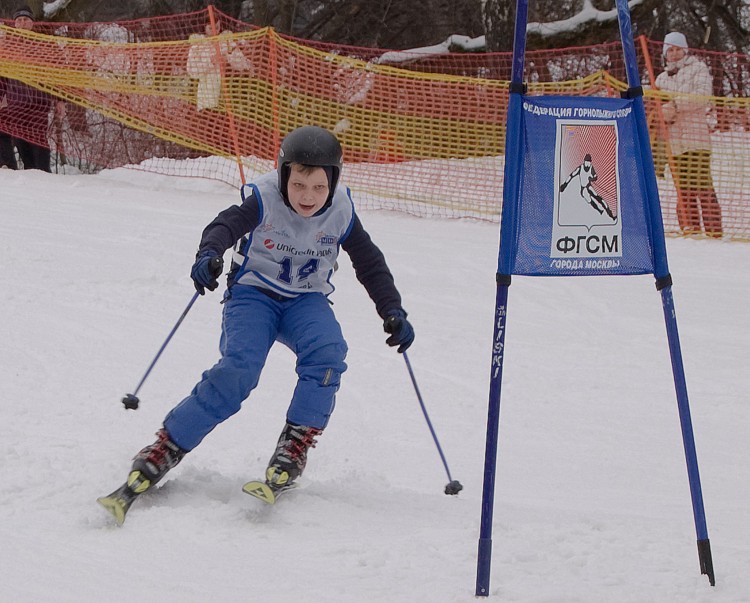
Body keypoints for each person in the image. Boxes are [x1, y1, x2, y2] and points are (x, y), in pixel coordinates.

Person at [101, 126, 414, 520]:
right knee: (239, 369)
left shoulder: (341, 210)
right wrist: (208, 254)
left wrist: (392, 310)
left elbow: (370, 262)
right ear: (283, 174)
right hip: (254, 296)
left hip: (306, 301)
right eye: (298, 184)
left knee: (328, 353)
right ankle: (167, 446)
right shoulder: (263, 198)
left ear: (333, 180)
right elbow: (223, 227)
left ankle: (294, 446)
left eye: (318, 187)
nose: (307, 197)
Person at [655, 31, 722, 238]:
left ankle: (713, 230)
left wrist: (675, 105)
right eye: (670, 50)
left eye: (677, 49)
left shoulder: (698, 69)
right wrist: (661, 113)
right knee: (683, 189)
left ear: (685, 50)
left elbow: (701, 96)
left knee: (702, 185)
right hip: (674, 143)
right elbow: (654, 104)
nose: (674, 54)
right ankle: (690, 229)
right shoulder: (660, 79)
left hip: (696, 139)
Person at [0, 6, 56, 171]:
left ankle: (43, 172)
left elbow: (59, 73)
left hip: (39, 101)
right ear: (14, 24)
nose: (22, 23)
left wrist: (61, 100)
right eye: (19, 20)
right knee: (17, 137)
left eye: (25, 20)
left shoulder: (44, 44)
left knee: (37, 138)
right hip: (16, 101)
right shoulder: (8, 46)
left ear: (32, 23)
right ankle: (10, 167)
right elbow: (2, 77)